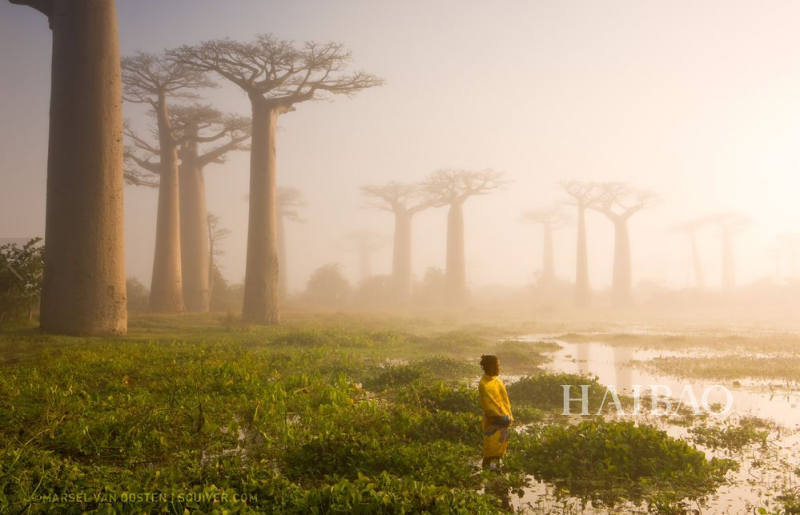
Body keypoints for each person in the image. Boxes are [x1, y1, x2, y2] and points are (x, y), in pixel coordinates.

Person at [478, 354, 513, 470]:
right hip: (492, 421)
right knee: (489, 451)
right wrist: (499, 417)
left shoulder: (498, 381)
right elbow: (488, 405)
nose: (499, 368)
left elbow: (504, 400)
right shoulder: (484, 384)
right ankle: (487, 473)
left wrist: (508, 415)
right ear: (491, 367)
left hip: (503, 419)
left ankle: (496, 473)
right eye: (497, 366)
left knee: (499, 451)